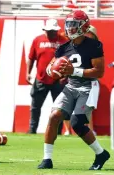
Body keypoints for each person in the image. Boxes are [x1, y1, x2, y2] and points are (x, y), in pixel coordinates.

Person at [38, 10, 110, 170]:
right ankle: (47, 159)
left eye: (74, 24)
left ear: (83, 26)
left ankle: (100, 153)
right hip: (71, 86)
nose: (70, 28)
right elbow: (53, 66)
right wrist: (52, 71)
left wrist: (74, 71)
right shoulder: (63, 48)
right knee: (54, 116)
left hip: (88, 86)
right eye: (68, 24)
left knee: (77, 123)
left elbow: (99, 71)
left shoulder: (94, 45)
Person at [26, 19, 68, 134]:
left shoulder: (64, 41)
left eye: (54, 30)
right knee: (35, 107)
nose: (52, 33)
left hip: (58, 80)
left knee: (59, 108)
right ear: (45, 29)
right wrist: (28, 73)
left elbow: (69, 60)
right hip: (41, 79)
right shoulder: (38, 40)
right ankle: (32, 130)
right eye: (50, 30)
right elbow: (31, 57)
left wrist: (66, 75)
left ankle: (58, 132)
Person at [63, 25, 98, 136]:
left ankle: (89, 130)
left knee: (88, 107)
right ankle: (68, 130)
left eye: (89, 34)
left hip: (89, 82)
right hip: (73, 81)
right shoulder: (74, 46)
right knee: (66, 106)